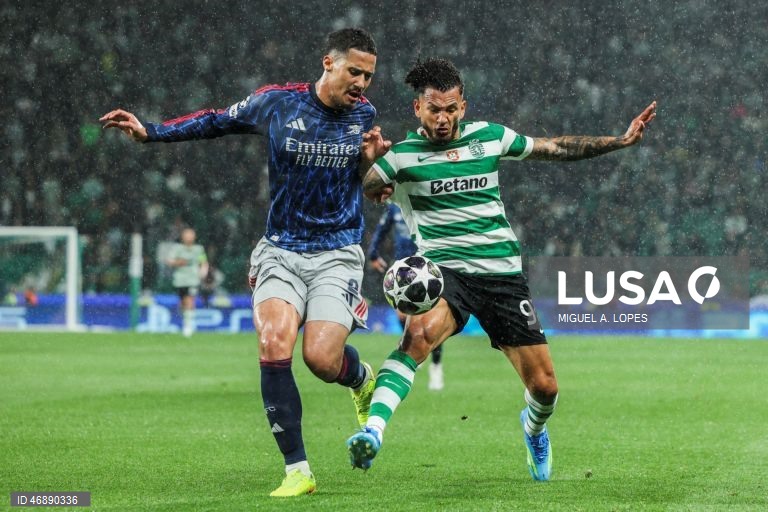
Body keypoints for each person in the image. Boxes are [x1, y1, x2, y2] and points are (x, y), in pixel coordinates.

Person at [101, 28, 382, 497]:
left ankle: (360, 377)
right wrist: (153, 132)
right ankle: (298, 470)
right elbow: (216, 120)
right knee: (274, 344)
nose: (362, 84)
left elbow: (368, 182)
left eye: (369, 76)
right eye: (355, 72)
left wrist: (371, 167)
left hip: (337, 252)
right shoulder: (277, 102)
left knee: (319, 358)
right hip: (281, 250)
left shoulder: (365, 116)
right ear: (328, 63)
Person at [348, 58, 657, 481]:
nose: (444, 118)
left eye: (452, 108)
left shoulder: (490, 137)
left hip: (503, 277)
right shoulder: (400, 157)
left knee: (545, 388)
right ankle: (372, 431)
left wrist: (619, 141)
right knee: (417, 336)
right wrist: (368, 163)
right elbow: (369, 187)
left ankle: (533, 430)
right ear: (417, 109)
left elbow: (555, 147)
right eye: (435, 109)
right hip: (445, 275)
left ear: (464, 106)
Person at [368, 202, 445, 390]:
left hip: (426, 266)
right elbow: (381, 229)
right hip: (402, 268)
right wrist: (373, 253)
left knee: (431, 320)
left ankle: (436, 367)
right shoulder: (394, 208)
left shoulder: (424, 201)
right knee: (402, 315)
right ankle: (414, 350)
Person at [165, 227, 208, 337]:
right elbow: (169, 261)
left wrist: (203, 273)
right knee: (182, 303)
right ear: (182, 237)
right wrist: (178, 262)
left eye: (191, 235)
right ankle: (186, 319)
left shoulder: (199, 249)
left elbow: (203, 262)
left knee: (189, 300)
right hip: (179, 280)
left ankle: (188, 326)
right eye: (187, 235)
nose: (189, 237)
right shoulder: (177, 248)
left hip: (193, 279)